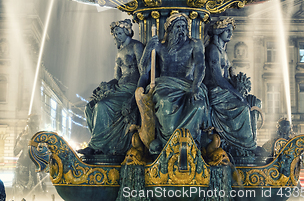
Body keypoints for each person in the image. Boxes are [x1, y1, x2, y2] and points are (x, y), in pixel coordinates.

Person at [139, 13, 208, 153]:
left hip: (189, 85)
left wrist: (195, 87)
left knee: (199, 105)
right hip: (164, 86)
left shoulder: (195, 44)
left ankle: (191, 143)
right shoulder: (159, 46)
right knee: (165, 103)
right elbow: (143, 70)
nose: (181, 29)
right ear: (169, 29)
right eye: (178, 26)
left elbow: (201, 66)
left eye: (184, 26)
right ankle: (169, 143)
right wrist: (147, 50)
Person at [78, 19, 144, 156]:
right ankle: (98, 143)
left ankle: (97, 146)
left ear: (127, 32)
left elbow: (144, 73)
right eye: (115, 34)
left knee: (102, 106)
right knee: (90, 106)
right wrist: (105, 86)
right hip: (120, 88)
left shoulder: (136, 46)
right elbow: (116, 77)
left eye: (119, 33)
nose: (117, 36)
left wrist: (134, 98)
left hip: (132, 88)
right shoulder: (119, 52)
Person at [204, 18, 262, 156]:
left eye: (231, 31)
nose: (230, 34)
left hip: (223, 90)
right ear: (219, 32)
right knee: (242, 107)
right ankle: (247, 145)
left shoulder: (223, 51)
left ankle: (252, 140)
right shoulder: (212, 50)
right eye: (227, 30)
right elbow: (217, 78)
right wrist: (237, 94)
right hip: (215, 91)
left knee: (254, 102)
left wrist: (240, 85)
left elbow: (228, 76)